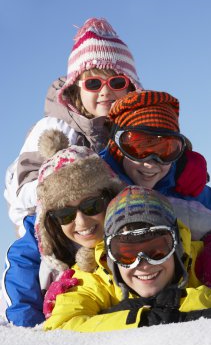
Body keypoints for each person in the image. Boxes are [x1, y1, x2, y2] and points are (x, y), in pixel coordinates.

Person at [4, 17, 206, 238]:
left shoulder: (132, 128)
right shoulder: (56, 127)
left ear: (130, 87)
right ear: (76, 89)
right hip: (53, 225)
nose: (105, 92)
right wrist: (69, 181)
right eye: (93, 84)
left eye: (116, 82)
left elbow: (160, 149)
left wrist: (183, 163)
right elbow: (23, 191)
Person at [44, 186, 211, 333]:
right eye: (126, 253)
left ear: (176, 245)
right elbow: (61, 328)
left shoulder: (208, 263)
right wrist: (144, 319)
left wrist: (185, 304)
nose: (143, 263)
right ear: (110, 256)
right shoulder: (93, 280)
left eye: (156, 249)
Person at [100, 89, 211, 285]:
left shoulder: (190, 195)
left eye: (166, 149)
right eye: (138, 147)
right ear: (117, 148)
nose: (151, 162)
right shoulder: (97, 191)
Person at [1, 129, 124, 327]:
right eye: (65, 214)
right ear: (51, 219)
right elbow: (22, 311)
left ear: (110, 199)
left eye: (91, 206)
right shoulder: (37, 261)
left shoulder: (135, 241)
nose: (82, 222)